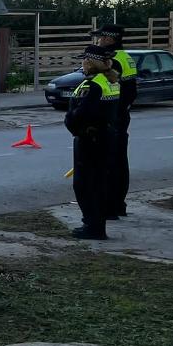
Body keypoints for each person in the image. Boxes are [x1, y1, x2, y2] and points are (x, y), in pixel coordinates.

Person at [64, 44, 121, 240]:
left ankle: (93, 226)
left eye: (84, 60)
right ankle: (97, 225)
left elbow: (81, 114)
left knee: (85, 185)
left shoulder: (92, 85)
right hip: (106, 137)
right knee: (99, 183)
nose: (83, 63)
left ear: (89, 62)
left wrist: (71, 122)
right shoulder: (110, 80)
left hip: (90, 139)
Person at [90, 24, 137, 218]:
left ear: (109, 39)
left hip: (112, 119)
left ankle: (109, 207)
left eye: (100, 38)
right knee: (119, 162)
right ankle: (118, 204)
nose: (98, 41)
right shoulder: (126, 58)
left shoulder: (112, 61)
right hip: (121, 117)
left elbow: (111, 91)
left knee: (109, 164)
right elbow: (131, 92)